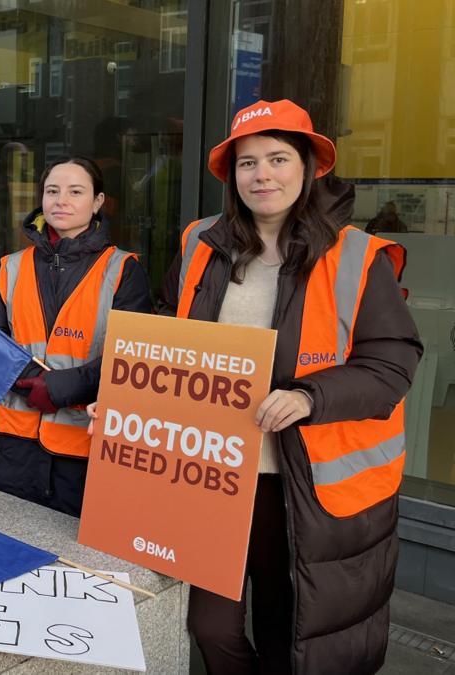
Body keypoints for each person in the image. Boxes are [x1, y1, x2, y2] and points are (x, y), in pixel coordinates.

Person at [161, 99, 421, 674]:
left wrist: (310, 396)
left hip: (300, 486)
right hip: (211, 474)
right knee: (211, 627)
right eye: (248, 163)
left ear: (309, 167)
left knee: (288, 633)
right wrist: (134, 402)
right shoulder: (199, 242)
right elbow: (170, 339)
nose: (262, 175)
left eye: (278, 158)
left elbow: (391, 365)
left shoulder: (357, 254)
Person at [0, 156, 151, 516]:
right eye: (52, 191)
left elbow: (133, 359)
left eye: (76, 191)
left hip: (85, 447)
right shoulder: (12, 265)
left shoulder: (123, 269)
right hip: (17, 443)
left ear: (97, 202)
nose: (61, 200)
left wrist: (60, 387)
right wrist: (32, 382)